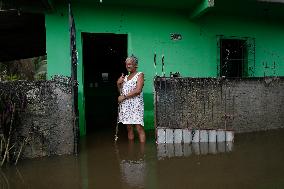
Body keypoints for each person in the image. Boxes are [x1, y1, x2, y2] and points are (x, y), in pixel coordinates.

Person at [116, 55, 146, 143]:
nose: (128, 66)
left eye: (130, 64)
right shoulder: (124, 78)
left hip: (136, 105)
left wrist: (124, 97)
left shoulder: (140, 75)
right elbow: (121, 92)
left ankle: (142, 153)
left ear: (135, 65)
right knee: (129, 128)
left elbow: (138, 90)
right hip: (126, 106)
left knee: (139, 128)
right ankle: (131, 151)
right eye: (126, 64)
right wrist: (118, 83)